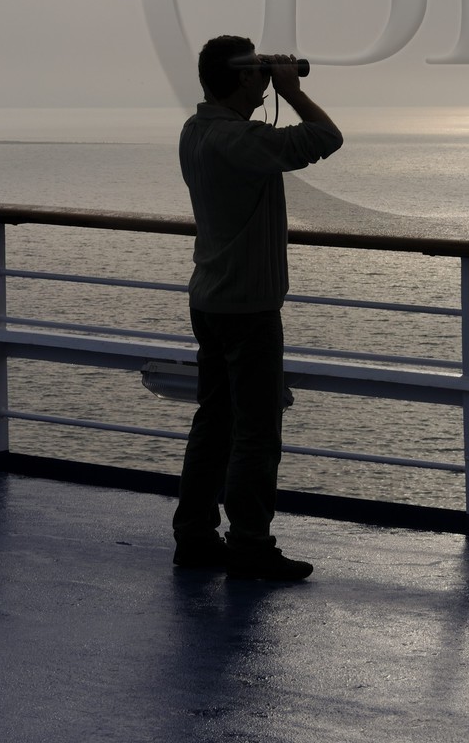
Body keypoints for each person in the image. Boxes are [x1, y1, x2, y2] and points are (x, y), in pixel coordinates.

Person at [171, 34, 343, 580]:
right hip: (248, 307)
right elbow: (326, 137)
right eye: (259, 71)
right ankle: (249, 543)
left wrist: (269, 79)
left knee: (215, 420)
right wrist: (291, 91)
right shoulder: (239, 141)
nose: (267, 76)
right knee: (256, 431)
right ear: (244, 78)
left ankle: (195, 533)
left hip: (211, 298)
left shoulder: (196, 131)